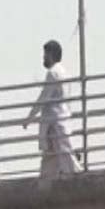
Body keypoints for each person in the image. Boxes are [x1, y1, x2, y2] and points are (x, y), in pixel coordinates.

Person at [23, 40, 79, 179]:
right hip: (60, 120)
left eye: (45, 54)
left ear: (51, 54)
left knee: (64, 156)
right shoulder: (64, 72)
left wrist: (29, 118)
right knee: (51, 158)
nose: (43, 57)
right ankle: (44, 187)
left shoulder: (53, 73)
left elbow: (43, 98)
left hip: (54, 122)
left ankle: (79, 180)